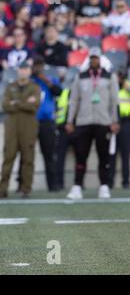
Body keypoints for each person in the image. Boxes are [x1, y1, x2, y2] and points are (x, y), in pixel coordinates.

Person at [65, 48, 120, 199]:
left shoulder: (109, 77)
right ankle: (77, 186)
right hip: (84, 121)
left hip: (103, 121)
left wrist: (115, 120)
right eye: (92, 58)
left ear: (100, 59)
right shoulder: (80, 76)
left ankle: (104, 185)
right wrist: (70, 120)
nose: (94, 60)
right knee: (81, 155)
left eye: (96, 58)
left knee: (104, 157)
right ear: (89, 59)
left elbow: (114, 100)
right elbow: (74, 100)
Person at [0, 62, 40, 198]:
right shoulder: (11, 87)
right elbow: (4, 105)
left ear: (29, 71)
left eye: (26, 69)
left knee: (28, 159)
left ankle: (26, 190)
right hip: (12, 128)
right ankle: (2, 190)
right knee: (8, 158)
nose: (23, 71)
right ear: (18, 71)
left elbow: (35, 106)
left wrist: (16, 102)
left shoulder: (35, 87)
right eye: (21, 69)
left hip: (28, 127)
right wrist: (25, 102)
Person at [32, 57, 62, 191]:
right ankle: (23, 185)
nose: (38, 69)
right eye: (36, 66)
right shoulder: (30, 81)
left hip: (47, 122)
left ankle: (53, 185)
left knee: (49, 154)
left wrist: (46, 80)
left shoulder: (50, 80)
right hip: (31, 122)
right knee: (26, 154)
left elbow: (59, 92)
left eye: (40, 65)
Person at [109, 68, 130, 189]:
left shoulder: (128, 87)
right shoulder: (113, 88)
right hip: (114, 122)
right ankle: (110, 181)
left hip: (126, 122)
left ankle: (125, 181)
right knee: (112, 153)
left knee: (125, 153)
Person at [54, 87, 74, 191]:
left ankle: (78, 183)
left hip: (78, 129)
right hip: (63, 130)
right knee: (60, 158)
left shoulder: (83, 92)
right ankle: (59, 182)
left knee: (81, 157)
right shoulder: (64, 92)